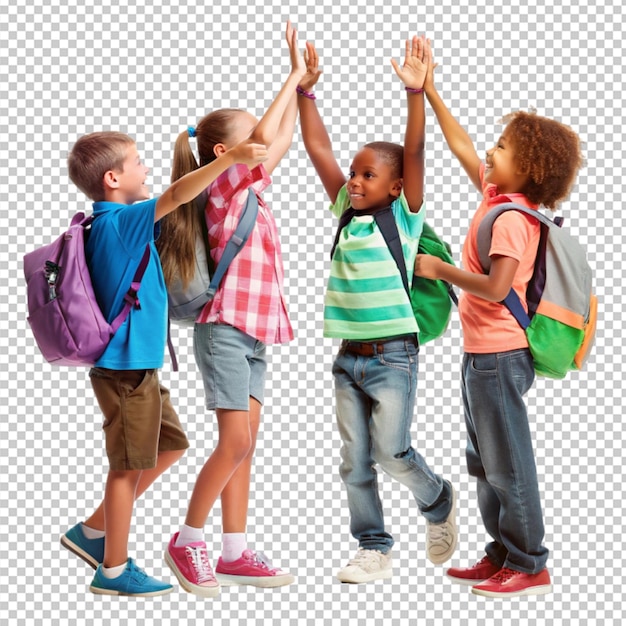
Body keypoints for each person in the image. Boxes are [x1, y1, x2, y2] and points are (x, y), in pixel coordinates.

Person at [61, 130, 267, 597]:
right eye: (136, 162)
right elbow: (177, 194)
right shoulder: (120, 221)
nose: (145, 169)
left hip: (139, 369)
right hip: (126, 370)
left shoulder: (114, 223)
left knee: (170, 445)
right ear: (113, 179)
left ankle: (92, 531)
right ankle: (112, 570)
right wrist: (230, 157)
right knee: (126, 468)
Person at [414, 44, 583, 598]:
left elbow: (493, 286)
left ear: (528, 168)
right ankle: (502, 552)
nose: (490, 150)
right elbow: (463, 146)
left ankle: (530, 563)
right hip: (479, 354)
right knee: (483, 462)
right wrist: (430, 90)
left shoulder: (512, 221)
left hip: (499, 356)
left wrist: (439, 268)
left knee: (508, 465)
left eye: (503, 146)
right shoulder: (496, 198)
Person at [297, 36, 457, 584]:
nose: (355, 181)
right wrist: (305, 94)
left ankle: (437, 501)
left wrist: (416, 93)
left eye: (368, 175)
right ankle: (373, 545)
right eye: (355, 173)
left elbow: (414, 152)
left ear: (396, 187)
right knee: (353, 462)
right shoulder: (346, 210)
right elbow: (320, 151)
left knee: (392, 455)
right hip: (347, 359)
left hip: (393, 357)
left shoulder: (405, 218)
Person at [157, 22, 304, 597]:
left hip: (255, 333)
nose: (264, 148)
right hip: (223, 330)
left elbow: (280, 138)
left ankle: (235, 551)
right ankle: (187, 538)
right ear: (226, 154)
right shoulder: (222, 187)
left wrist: (305, 89)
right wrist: (289, 73)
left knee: (245, 446)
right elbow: (267, 136)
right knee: (235, 442)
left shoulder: (253, 189)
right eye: (250, 143)